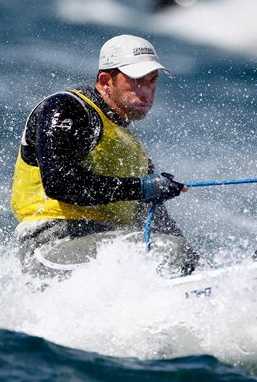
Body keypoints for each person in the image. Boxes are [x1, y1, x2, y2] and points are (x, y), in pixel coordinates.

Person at [11, 34, 198, 278]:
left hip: (108, 243)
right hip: (53, 243)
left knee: (180, 253)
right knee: (169, 252)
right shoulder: (69, 108)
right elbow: (60, 183)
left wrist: (196, 265)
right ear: (106, 81)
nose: (146, 92)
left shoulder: (131, 144)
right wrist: (142, 187)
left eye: (152, 81)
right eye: (136, 81)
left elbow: (154, 215)